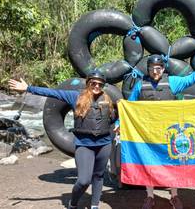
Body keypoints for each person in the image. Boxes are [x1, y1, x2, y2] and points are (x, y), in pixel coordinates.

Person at [8, 70, 118, 209]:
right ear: (88, 83)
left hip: (104, 144)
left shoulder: (108, 100)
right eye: (93, 83)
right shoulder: (75, 96)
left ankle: (94, 205)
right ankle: (73, 203)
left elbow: (121, 113)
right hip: (84, 145)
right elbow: (52, 93)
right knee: (84, 180)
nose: (97, 86)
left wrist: (118, 124)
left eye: (100, 84)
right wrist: (28, 88)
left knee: (98, 176)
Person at [128, 52, 195, 209]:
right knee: (148, 163)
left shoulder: (172, 82)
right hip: (148, 132)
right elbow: (128, 106)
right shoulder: (140, 85)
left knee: (172, 163)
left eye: (158, 68)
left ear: (163, 69)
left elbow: (190, 79)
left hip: (169, 133)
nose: (155, 71)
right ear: (148, 69)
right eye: (152, 68)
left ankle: (174, 195)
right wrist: (118, 122)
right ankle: (150, 196)